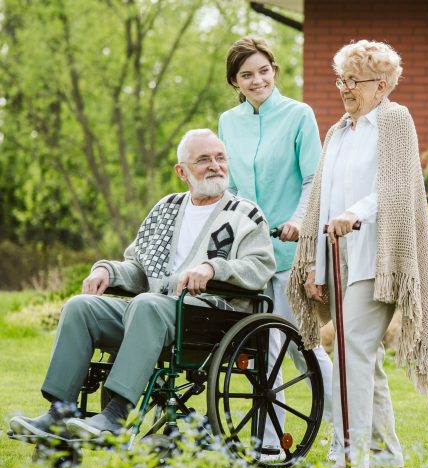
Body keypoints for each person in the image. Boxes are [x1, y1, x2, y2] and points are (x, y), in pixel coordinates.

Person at [10, 129, 275, 439]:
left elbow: (261, 267)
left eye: (220, 158)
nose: (215, 166)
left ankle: (117, 414)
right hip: (149, 314)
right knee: (80, 307)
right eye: (203, 160)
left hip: (208, 318)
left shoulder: (245, 214)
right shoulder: (166, 208)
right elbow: (138, 266)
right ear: (182, 171)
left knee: (146, 304)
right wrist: (107, 272)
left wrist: (213, 268)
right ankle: (60, 413)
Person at [287, 40, 428, 468]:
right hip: (337, 258)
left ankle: (352, 459)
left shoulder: (394, 120)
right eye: (342, 79)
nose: (345, 88)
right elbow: (322, 198)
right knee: (363, 360)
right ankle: (388, 458)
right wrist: (314, 264)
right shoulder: (337, 131)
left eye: (354, 81)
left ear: (383, 85)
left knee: (352, 351)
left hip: (379, 258)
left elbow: (395, 186)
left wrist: (356, 213)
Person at [218, 35, 334, 453]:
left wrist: (299, 221)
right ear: (235, 81)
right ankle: (270, 444)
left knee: (302, 347)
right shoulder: (228, 123)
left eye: (263, 71)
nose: (257, 80)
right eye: (247, 75)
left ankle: (350, 432)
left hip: (289, 252)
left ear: (274, 70)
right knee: (262, 351)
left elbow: (312, 180)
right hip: (250, 256)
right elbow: (229, 187)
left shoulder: (299, 115)